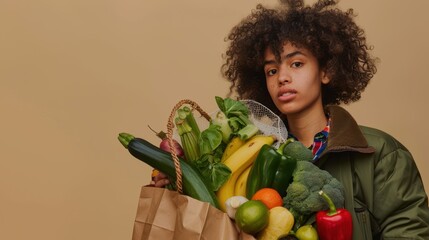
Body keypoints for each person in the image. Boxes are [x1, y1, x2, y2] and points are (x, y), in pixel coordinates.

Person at [154, 0, 429, 238]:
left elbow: (409, 231)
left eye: (296, 64)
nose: (282, 77)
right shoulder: (250, 155)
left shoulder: (381, 153)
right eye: (272, 70)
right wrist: (178, 186)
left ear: (326, 71)